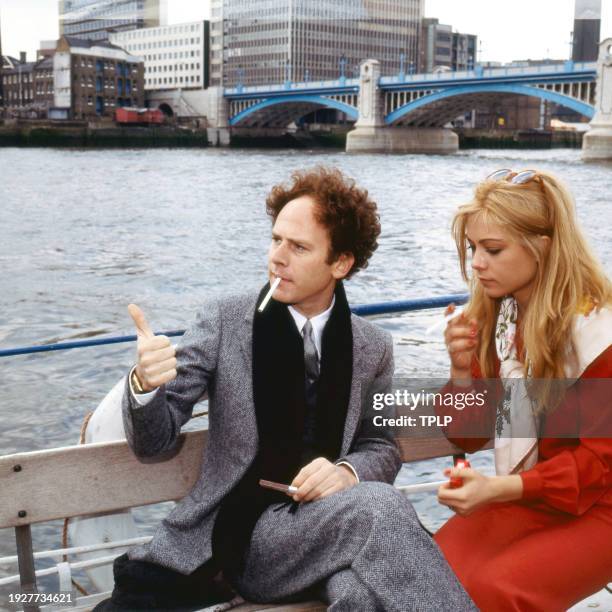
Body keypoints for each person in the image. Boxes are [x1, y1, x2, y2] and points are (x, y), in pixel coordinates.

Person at [96, 167, 475, 611]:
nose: (278, 257)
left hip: (321, 530)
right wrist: (144, 384)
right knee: (380, 508)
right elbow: (153, 442)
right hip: (237, 534)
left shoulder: (371, 345)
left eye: (298, 247)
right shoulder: (225, 321)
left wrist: (346, 473)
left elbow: (380, 444)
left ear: (341, 263)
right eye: (276, 239)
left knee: (361, 595)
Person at [434, 169, 612, 611]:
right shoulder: (499, 321)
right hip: (537, 494)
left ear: (543, 247)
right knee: (426, 572)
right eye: (474, 248)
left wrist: (498, 490)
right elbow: (469, 436)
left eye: (492, 250)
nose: (476, 263)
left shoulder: (600, 335)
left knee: (498, 588)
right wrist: (461, 374)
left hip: (602, 504)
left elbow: (596, 466)